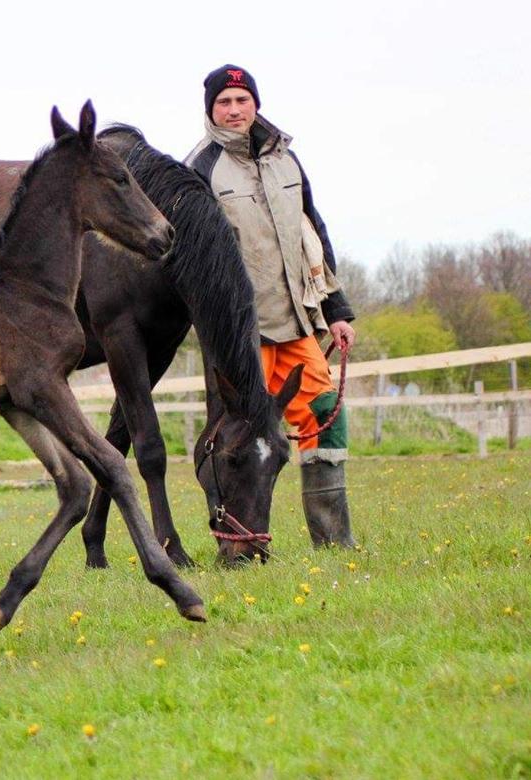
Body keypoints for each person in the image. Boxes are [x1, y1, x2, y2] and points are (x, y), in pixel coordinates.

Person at [185, 64, 357, 548]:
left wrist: (337, 310)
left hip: (298, 320)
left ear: (255, 104)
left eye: (242, 100)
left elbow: (312, 231)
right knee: (239, 439)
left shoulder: (287, 159)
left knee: (326, 418)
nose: (234, 109)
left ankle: (333, 541)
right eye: (224, 102)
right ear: (211, 110)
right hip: (241, 334)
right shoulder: (199, 167)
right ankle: (238, 543)